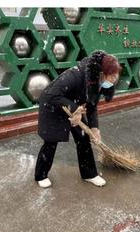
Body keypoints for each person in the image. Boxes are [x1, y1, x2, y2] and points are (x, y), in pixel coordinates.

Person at [35, 50, 122, 188]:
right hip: (53, 105)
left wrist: (94, 128)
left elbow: (92, 105)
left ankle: (89, 174)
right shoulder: (75, 75)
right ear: (102, 72)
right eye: (112, 75)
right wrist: (75, 109)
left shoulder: (96, 81)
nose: (115, 78)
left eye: (116, 74)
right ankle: (41, 175)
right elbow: (52, 95)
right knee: (51, 141)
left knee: (83, 139)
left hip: (74, 107)